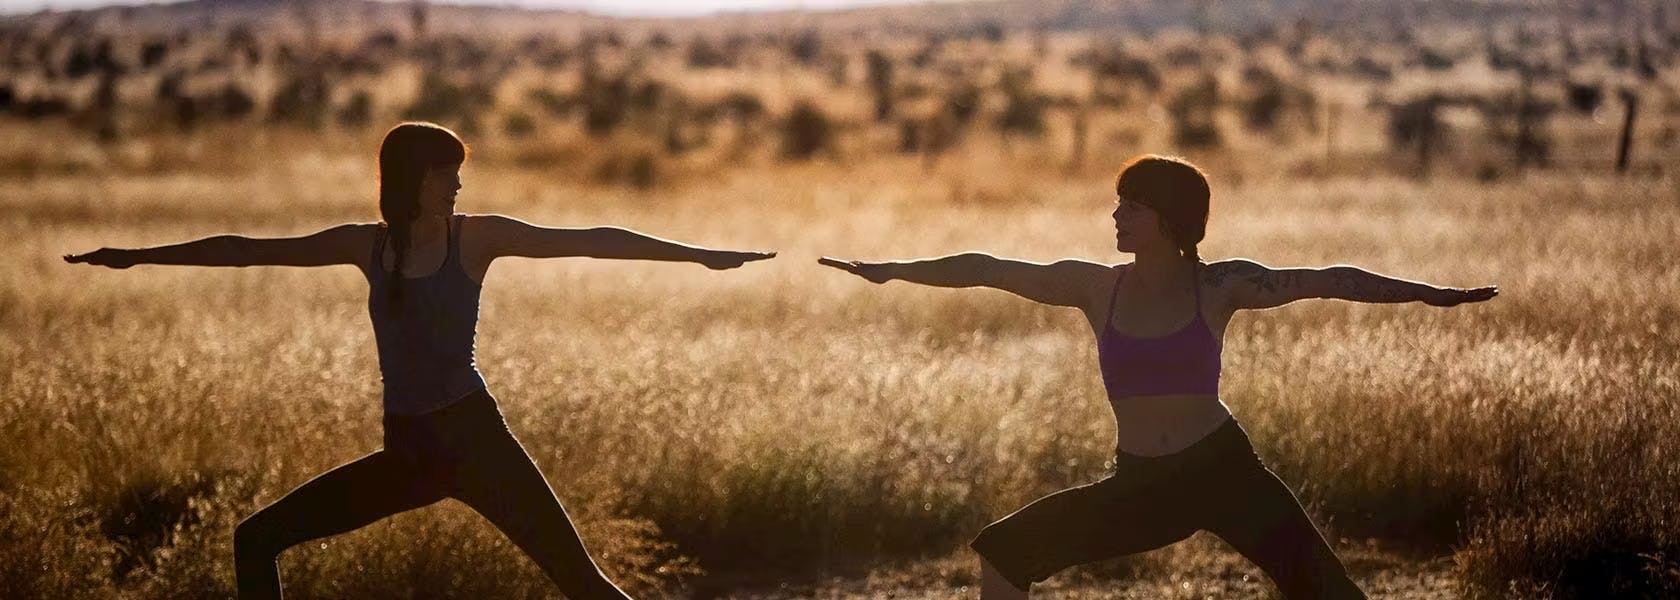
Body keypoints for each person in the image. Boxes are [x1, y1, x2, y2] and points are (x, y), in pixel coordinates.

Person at [64, 121, 775, 599]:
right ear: (411, 182)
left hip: (476, 443)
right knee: (256, 540)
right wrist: (136, 256)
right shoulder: (367, 246)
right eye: (445, 176)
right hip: (407, 453)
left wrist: (699, 255)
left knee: (585, 588)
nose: (458, 187)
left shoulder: (477, 239)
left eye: (457, 176)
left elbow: (593, 238)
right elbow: (247, 247)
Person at [818, 154, 1496, 599]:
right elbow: (986, 268)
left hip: (1224, 472)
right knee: (1006, 551)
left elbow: (1330, 280)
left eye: (1131, 205)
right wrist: (894, 270)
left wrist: (1432, 292)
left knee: (1329, 592)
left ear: (1168, 218)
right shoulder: (1094, 289)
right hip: (1141, 482)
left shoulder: (1219, 286)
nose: (1116, 215)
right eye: (1118, 204)